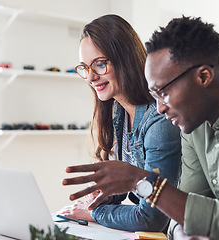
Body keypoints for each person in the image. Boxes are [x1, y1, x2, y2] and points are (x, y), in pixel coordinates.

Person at [62, 15, 219, 240]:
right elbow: (184, 210)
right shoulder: (193, 123)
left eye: (163, 93)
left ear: (204, 76)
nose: (159, 108)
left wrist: (140, 181)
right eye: (154, 95)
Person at [57, 14, 182, 232]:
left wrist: (95, 212)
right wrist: (101, 196)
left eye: (100, 64)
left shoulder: (159, 121)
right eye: (85, 68)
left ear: (126, 59)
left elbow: (151, 218)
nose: (90, 78)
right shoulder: (119, 112)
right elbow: (126, 185)